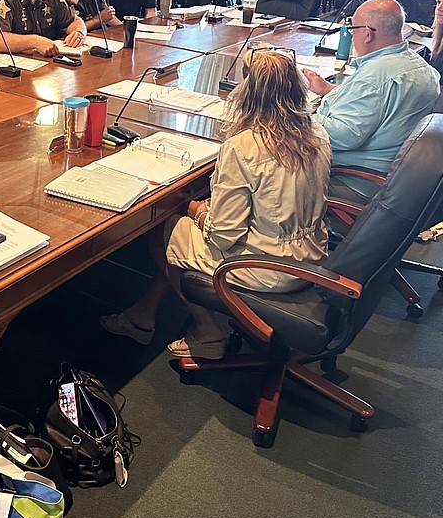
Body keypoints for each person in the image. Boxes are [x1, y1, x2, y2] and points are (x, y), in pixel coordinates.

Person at [100, 50, 332, 361]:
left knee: (165, 228)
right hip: (310, 257)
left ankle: (207, 329)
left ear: (246, 89)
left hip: (267, 267)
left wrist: (200, 212)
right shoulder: (316, 132)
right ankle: (142, 314)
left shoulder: (243, 146)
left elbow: (223, 236)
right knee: (182, 232)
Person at [301, 0, 440, 203]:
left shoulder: (375, 77)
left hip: (354, 178)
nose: (350, 33)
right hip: (398, 177)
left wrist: (295, 116)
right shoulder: (421, 66)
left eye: (352, 28)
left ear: (367, 33)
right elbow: (377, 104)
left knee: (258, 170)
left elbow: (343, 135)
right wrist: (329, 90)